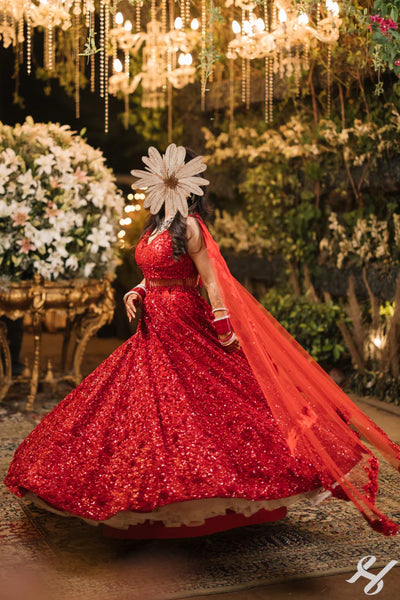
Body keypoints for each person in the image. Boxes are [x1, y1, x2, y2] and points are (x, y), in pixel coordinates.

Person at [3, 144, 400, 540]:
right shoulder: (154, 228)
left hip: (186, 321)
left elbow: (210, 280)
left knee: (206, 396)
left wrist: (224, 326)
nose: (163, 186)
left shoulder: (191, 227)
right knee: (149, 397)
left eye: (171, 180)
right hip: (154, 323)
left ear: (186, 185)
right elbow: (156, 270)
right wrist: (138, 290)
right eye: (159, 180)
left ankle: (221, 487)